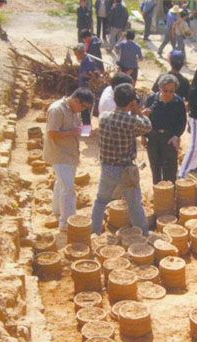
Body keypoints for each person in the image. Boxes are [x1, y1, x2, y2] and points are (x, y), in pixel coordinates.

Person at [92, 83, 152, 235]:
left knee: (101, 201)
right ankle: (143, 233)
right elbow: (147, 126)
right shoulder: (132, 121)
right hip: (126, 169)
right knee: (134, 204)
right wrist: (138, 111)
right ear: (132, 102)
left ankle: (94, 232)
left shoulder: (104, 117)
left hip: (107, 167)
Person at [43, 88, 95, 232]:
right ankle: (67, 223)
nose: (83, 110)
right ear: (76, 100)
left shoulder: (73, 109)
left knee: (61, 184)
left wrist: (82, 130)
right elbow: (52, 133)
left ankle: (57, 211)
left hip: (69, 153)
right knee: (69, 189)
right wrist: (73, 132)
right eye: (83, 107)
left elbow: (77, 127)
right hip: (59, 154)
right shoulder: (57, 109)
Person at [144, 73, 187, 184]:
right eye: (165, 90)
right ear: (160, 88)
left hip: (169, 138)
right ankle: (159, 194)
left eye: (171, 91)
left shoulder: (178, 102)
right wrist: (144, 136)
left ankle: (170, 195)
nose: (168, 94)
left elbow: (182, 122)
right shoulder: (151, 100)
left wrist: (176, 136)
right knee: (155, 168)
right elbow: (145, 120)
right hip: (153, 138)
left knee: (170, 170)